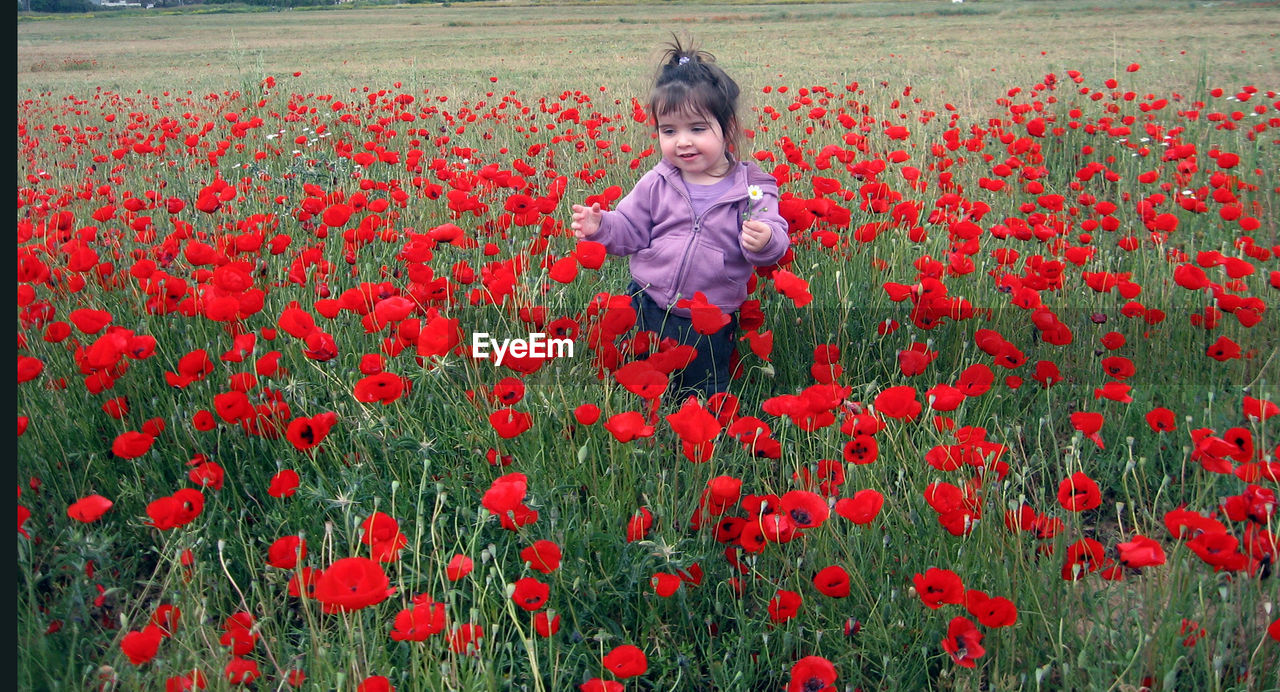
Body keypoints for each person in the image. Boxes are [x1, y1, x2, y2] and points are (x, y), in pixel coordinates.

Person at [571, 38, 790, 398]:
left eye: (697, 129)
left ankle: (697, 442)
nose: (683, 142)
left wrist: (766, 239)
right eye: (669, 131)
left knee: (701, 389)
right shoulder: (658, 181)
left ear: (729, 128)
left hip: (708, 319)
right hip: (647, 303)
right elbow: (631, 229)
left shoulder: (752, 188)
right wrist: (603, 226)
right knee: (640, 380)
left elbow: (773, 233)